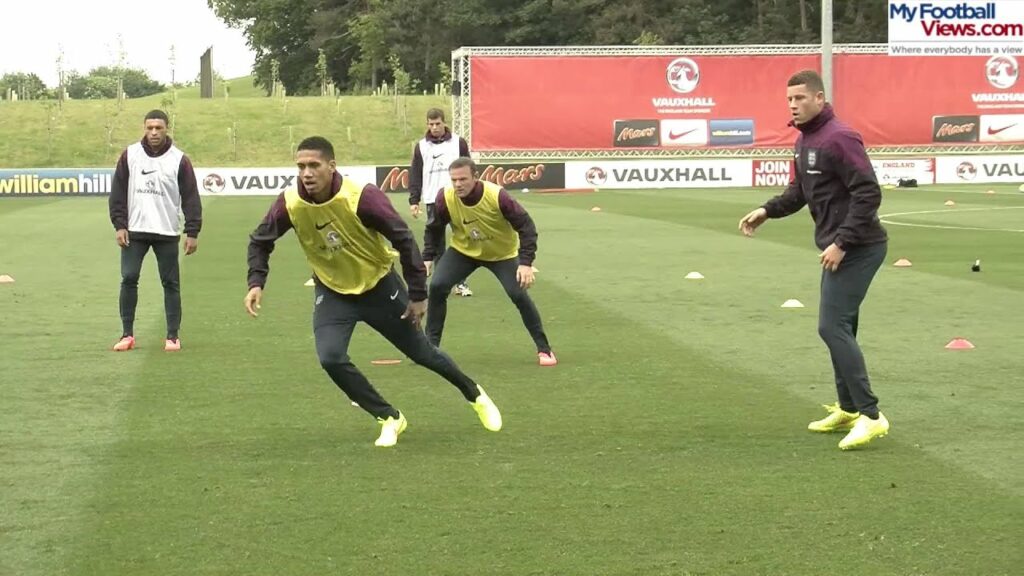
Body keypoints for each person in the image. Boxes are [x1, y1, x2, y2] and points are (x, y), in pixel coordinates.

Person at [244, 136, 502, 447]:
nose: (307, 173)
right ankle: (389, 417)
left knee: (422, 353)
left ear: (332, 166)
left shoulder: (361, 196)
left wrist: (418, 295)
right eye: (301, 167)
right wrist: (256, 282)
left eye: (314, 165)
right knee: (331, 358)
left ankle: (474, 394)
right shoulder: (290, 202)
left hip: (380, 288)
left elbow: (404, 239)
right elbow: (260, 240)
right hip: (334, 292)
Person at [738, 70, 889, 450]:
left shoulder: (840, 138)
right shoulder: (805, 141)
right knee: (841, 328)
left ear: (820, 99)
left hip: (860, 247)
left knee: (831, 326)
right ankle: (850, 408)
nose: (793, 105)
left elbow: (868, 193)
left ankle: (871, 415)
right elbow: (799, 192)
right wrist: (766, 211)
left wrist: (842, 241)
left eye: (801, 98)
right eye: (789, 99)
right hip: (838, 248)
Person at [423, 157, 557, 367]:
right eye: (454, 180)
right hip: (464, 251)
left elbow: (527, 227)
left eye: (463, 179)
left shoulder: (498, 196)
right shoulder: (445, 197)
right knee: (438, 286)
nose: (458, 184)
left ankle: (544, 349)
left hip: (501, 254)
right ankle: (430, 348)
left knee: (518, 294)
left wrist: (526, 263)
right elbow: (434, 228)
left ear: (476, 177)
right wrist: (428, 257)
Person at [109, 109, 202, 352]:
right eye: (149, 127)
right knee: (129, 278)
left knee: (170, 283)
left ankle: (172, 336)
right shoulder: (130, 155)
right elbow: (117, 193)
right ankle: (127, 334)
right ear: (144, 128)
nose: (153, 132)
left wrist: (192, 232)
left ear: (166, 128)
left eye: (158, 128)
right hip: (134, 231)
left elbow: (191, 197)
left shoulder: (179, 159)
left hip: (166, 232)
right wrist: (119, 225)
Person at [408, 108, 473, 297]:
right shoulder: (421, 146)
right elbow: (416, 173)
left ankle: (461, 283)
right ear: (427, 124)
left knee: (462, 240)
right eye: (431, 124)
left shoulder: (458, 142)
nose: (434, 127)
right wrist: (414, 200)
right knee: (437, 244)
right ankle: (441, 283)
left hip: (456, 198)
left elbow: (468, 168)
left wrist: (469, 192)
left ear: (444, 122)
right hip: (432, 199)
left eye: (437, 123)